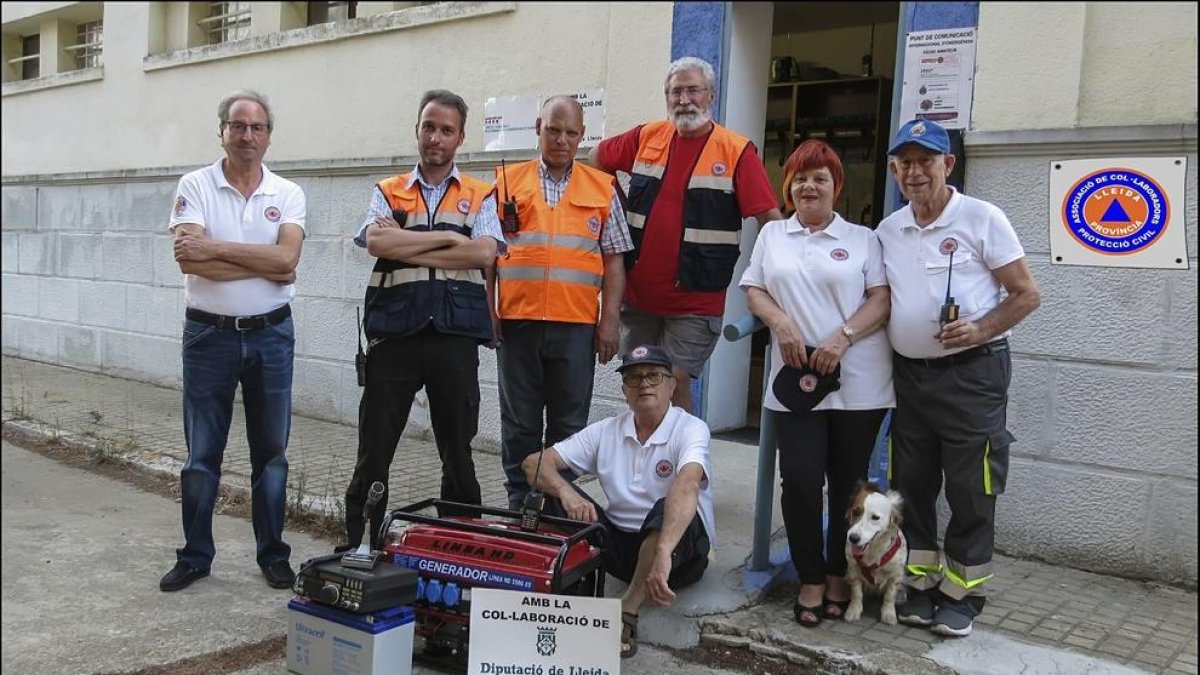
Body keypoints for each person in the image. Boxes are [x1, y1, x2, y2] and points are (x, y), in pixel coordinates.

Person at [877, 119, 1041, 637]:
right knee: (913, 484)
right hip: (910, 378)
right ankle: (921, 583)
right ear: (894, 170)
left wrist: (980, 329)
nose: (915, 171)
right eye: (905, 163)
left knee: (973, 488)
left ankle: (964, 593)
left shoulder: (981, 217)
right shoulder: (888, 229)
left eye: (926, 160)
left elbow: (1026, 294)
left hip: (973, 376)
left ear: (948, 165)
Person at [739, 140, 893, 628]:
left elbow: (881, 299)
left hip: (858, 384)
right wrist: (782, 324)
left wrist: (843, 337)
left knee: (849, 487)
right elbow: (753, 289)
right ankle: (809, 576)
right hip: (796, 383)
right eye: (800, 178)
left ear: (836, 187)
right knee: (802, 482)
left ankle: (836, 575)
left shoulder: (864, 238)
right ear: (788, 187)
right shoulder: (773, 236)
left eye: (820, 178)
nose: (809, 186)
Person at [342, 90, 503, 550]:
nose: (436, 137)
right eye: (429, 127)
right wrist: (451, 241)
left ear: (460, 137)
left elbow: (486, 251)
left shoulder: (481, 192)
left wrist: (411, 239)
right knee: (374, 450)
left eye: (446, 130)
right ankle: (362, 544)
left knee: (458, 452)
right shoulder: (387, 190)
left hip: (453, 339)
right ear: (417, 129)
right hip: (395, 337)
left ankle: (461, 544)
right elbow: (376, 244)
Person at [163, 89, 306, 592]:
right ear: (221, 130)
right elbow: (187, 260)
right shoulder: (194, 185)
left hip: (271, 336)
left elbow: (286, 262)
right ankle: (196, 555)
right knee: (202, 455)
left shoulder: (287, 193)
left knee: (271, 455)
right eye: (239, 126)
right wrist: (257, 259)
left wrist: (214, 248)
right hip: (208, 336)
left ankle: (273, 555)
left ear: (269, 135)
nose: (248, 136)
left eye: (258, 127)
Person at [589, 56, 783, 413]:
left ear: (710, 95)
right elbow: (596, 157)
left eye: (693, 90)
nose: (684, 99)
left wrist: (782, 279)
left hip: (695, 302)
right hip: (639, 298)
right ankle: (647, 463)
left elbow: (769, 219)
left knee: (673, 381)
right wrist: (615, 203)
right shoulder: (647, 136)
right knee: (641, 384)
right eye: (675, 91)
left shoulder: (736, 150)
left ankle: (687, 466)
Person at [521, 344, 715, 659]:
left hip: (679, 554)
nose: (644, 384)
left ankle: (627, 612)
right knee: (547, 498)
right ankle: (557, 595)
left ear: (671, 385)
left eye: (654, 375)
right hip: (621, 548)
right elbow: (534, 464)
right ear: (624, 391)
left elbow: (689, 482)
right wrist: (567, 492)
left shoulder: (691, 428)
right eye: (634, 378)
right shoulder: (607, 430)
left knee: (669, 505)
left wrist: (665, 551)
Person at [491, 96, 633, 511]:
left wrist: (610, 323)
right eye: (554, 129)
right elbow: (487, 258)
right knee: (518, 422)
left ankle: (556, 507)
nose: (561, 139)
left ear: (582, 136)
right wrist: (489, 311)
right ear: (538, 128)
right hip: (517, 322)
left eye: (571, 132)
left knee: (569, 426)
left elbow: (615, 262)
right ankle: (520, 504)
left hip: (576, 326)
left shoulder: (602, 188)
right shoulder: (505, 182)